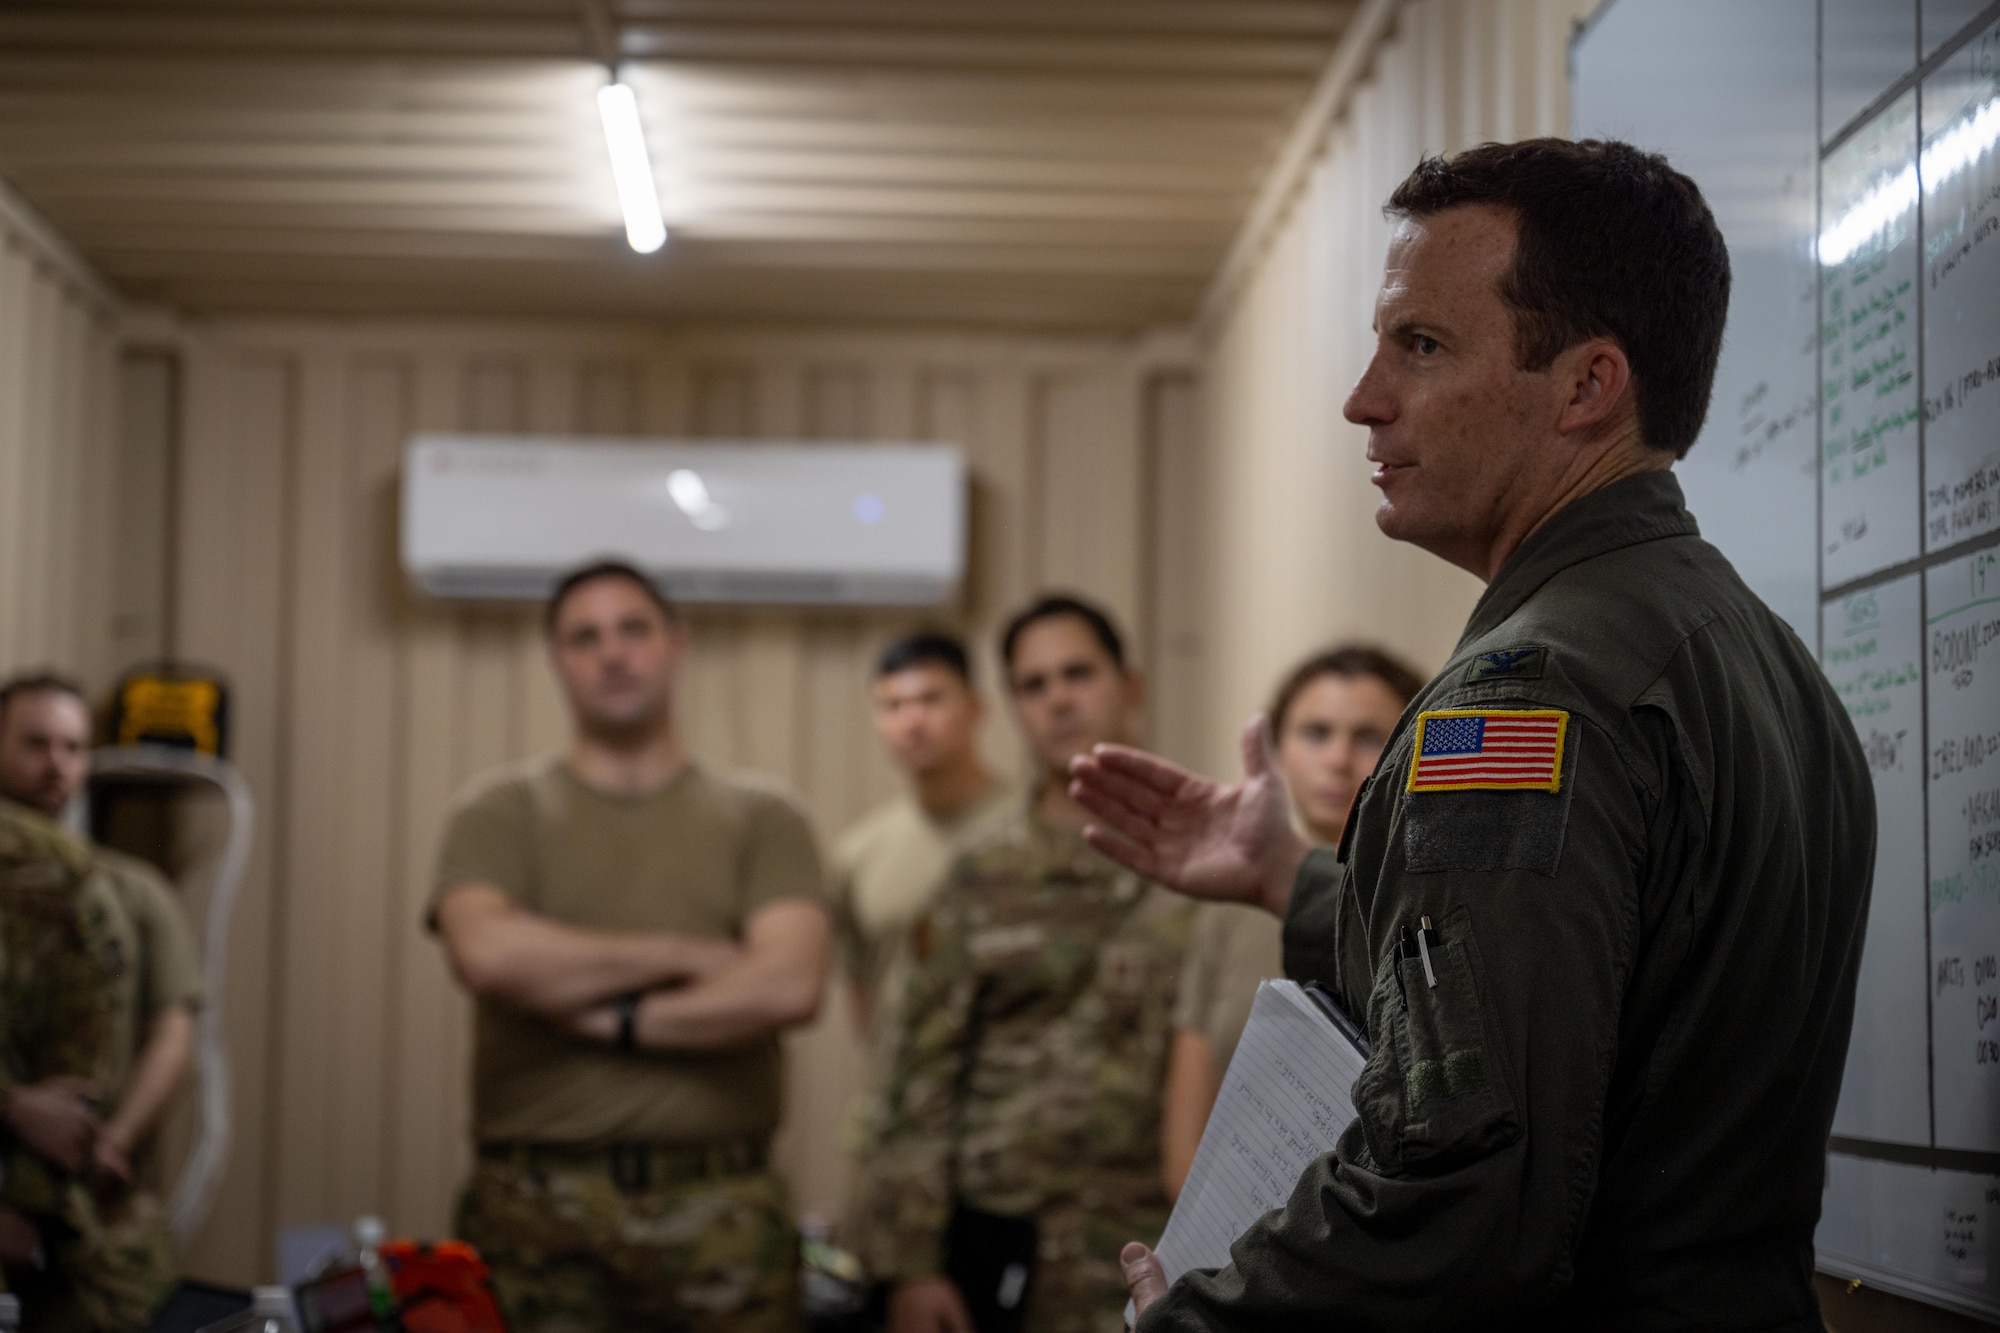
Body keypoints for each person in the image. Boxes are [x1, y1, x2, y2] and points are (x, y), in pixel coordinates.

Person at [1072, 138, 1873, 1329]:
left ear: (1585, 386)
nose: (1363, 398)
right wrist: (1289, 875)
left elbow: (1456, 1187)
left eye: (1421, 346)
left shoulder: (1524, 694)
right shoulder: (1755, 655)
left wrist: (1199, 1320)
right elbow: (1586, 988)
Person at [429, 560, 831, 1333]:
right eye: (585, 637)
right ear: (557, 660)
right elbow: (488, 955)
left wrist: (614, 1018)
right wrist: (690, 954)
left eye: (633, 629)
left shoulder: (765, 816)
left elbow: (787, 984)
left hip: (724, 1211)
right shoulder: (498, 812)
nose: (612, 653)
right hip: (533, 1213)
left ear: (676, 645)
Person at [853, 595, 1194, 1333]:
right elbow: (918, 1079)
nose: (1058, 699)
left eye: (1078, 674)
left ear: (1130, 686)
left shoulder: (1199, 861)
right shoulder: (977, 878)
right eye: (1034, 685)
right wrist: (911, 1266)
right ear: (1012, 707)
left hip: (1162, 1241)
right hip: (1005, 1245)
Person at [1160, 646, 1422, 1199]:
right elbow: (1187, 1138)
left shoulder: (1420, 902)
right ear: (1278, 750)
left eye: (1368, 737)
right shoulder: (1227, 911)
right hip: (1233, 1224)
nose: (1338, 759)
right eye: (1315, 733)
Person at [0, 673, 204, 1332]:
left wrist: (115, 1139)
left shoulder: (129, 891)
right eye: (35, 743)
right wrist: (16, 1107)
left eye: (72, 747)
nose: (56, 764)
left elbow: (173, 1028)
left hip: (87, 1194)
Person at [831, 631, 1015, 1037]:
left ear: (975, 709)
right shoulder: (858, 853)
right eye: (893, 705)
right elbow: (863, 989)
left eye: (932, 700)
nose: (912, 721)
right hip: (906, 1071)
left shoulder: (1032, 825)